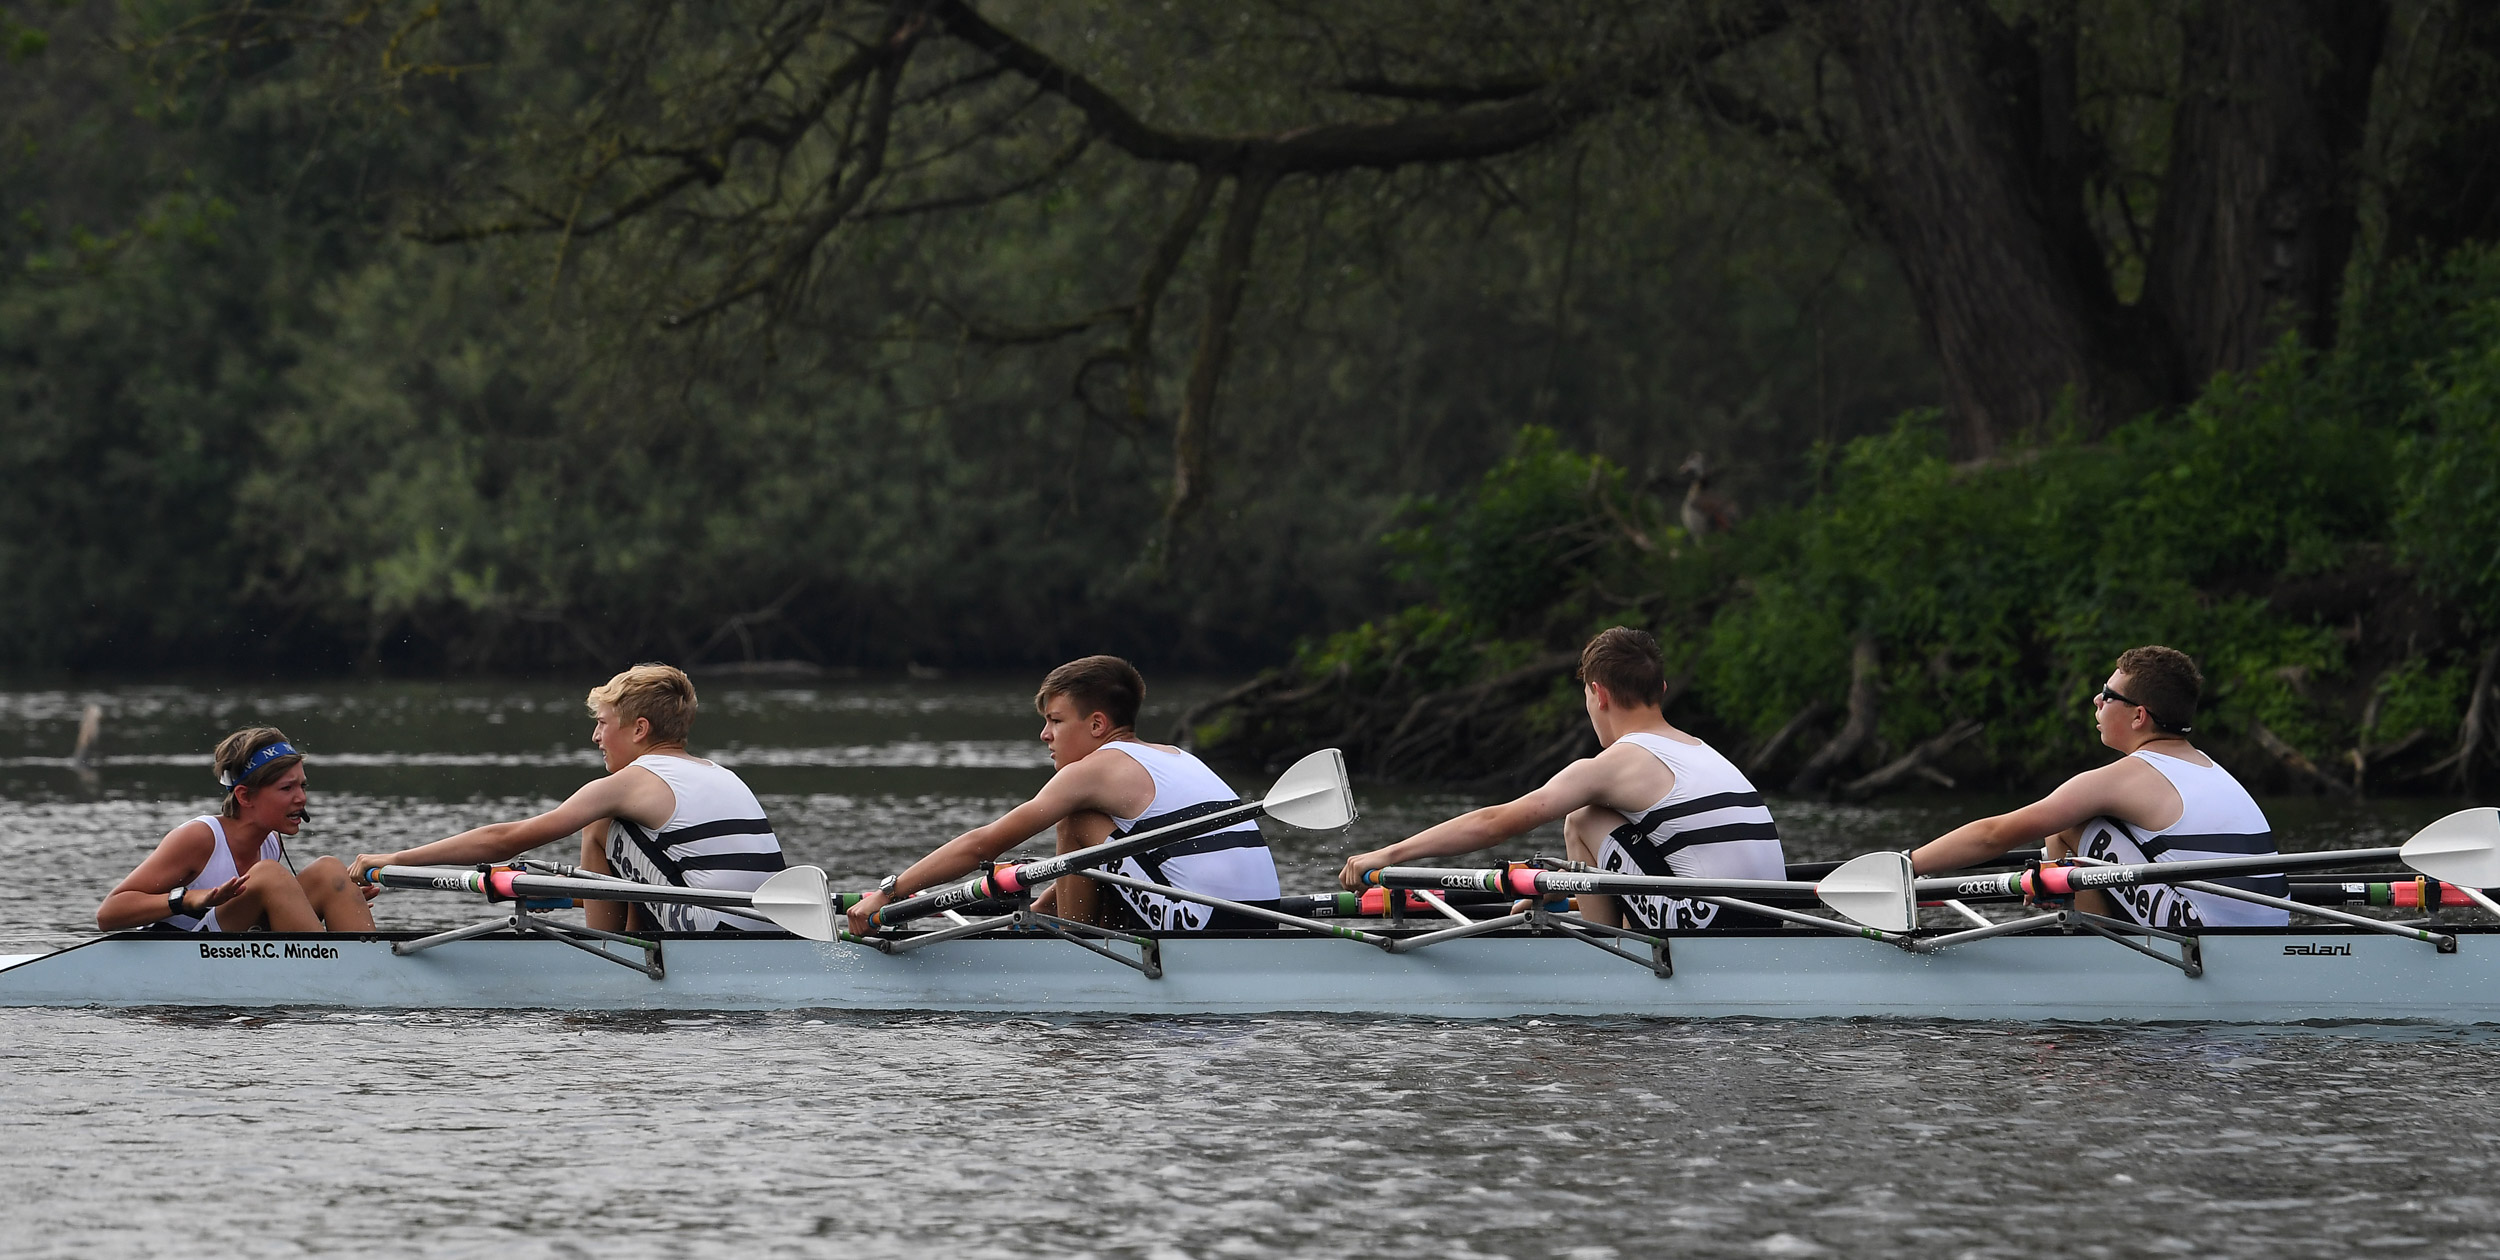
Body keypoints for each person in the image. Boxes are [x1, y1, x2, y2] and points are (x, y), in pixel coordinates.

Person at [1336, 626, 1788, 931]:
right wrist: (1568, 898)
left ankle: (1604, 956)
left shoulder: (1615, 765)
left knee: (1583, 818)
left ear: (1598, 693)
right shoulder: (1702, 750)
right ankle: (1594, 915)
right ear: (1661, 691)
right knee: (1614, 826)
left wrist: (1390, 854)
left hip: (1711, 923)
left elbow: (1497, 823)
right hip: (1769, 916)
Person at [845, 655, 1282, 936]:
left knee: (1074, 821)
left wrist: (890, 892)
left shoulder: (1092, 772)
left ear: (1096, 725)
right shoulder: (1175, 756)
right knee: (1089, 833)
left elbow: (982, 844)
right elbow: (1117, 860)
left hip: (1206, 923)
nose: (1044, 734)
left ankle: (1065, 946)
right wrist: (1035, 907)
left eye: (1055, 721)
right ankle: (1048, 921)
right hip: (1264, 918)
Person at [349, 664, 786, 932]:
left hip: (717, 931)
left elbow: (507, 839)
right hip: (771, 923)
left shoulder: (632, 781)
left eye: (603, 723)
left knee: (600, 823)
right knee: (631, 837)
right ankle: (635, 934)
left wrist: (394, 859)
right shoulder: (720, 773)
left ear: (639, 729)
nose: (596, 736)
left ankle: (609, 954)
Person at [1909, 645, 2287, 928]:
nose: (2097, 700)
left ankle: (2092, 954)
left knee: (2068, 823)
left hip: (2213, 938)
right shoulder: (2209, 767)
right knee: (2070, 835)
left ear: (2139, 716)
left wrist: (1907, 865)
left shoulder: (2129, 777)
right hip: (2274, 932)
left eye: (2108, 695)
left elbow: (1994, 835)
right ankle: (2076, 912)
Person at [97, 728, 376, 933]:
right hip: (180, 958)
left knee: (330, 872)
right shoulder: (199, 837)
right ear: (244, 796)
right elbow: (109, 914)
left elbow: (256, 916)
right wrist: (191, 899)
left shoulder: (271, 842)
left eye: (302, 786)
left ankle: (370, 974)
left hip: (228, 950)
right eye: (286, 788)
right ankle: (340, 977)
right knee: (269, 875)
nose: (301, 798)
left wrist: (334, 902)